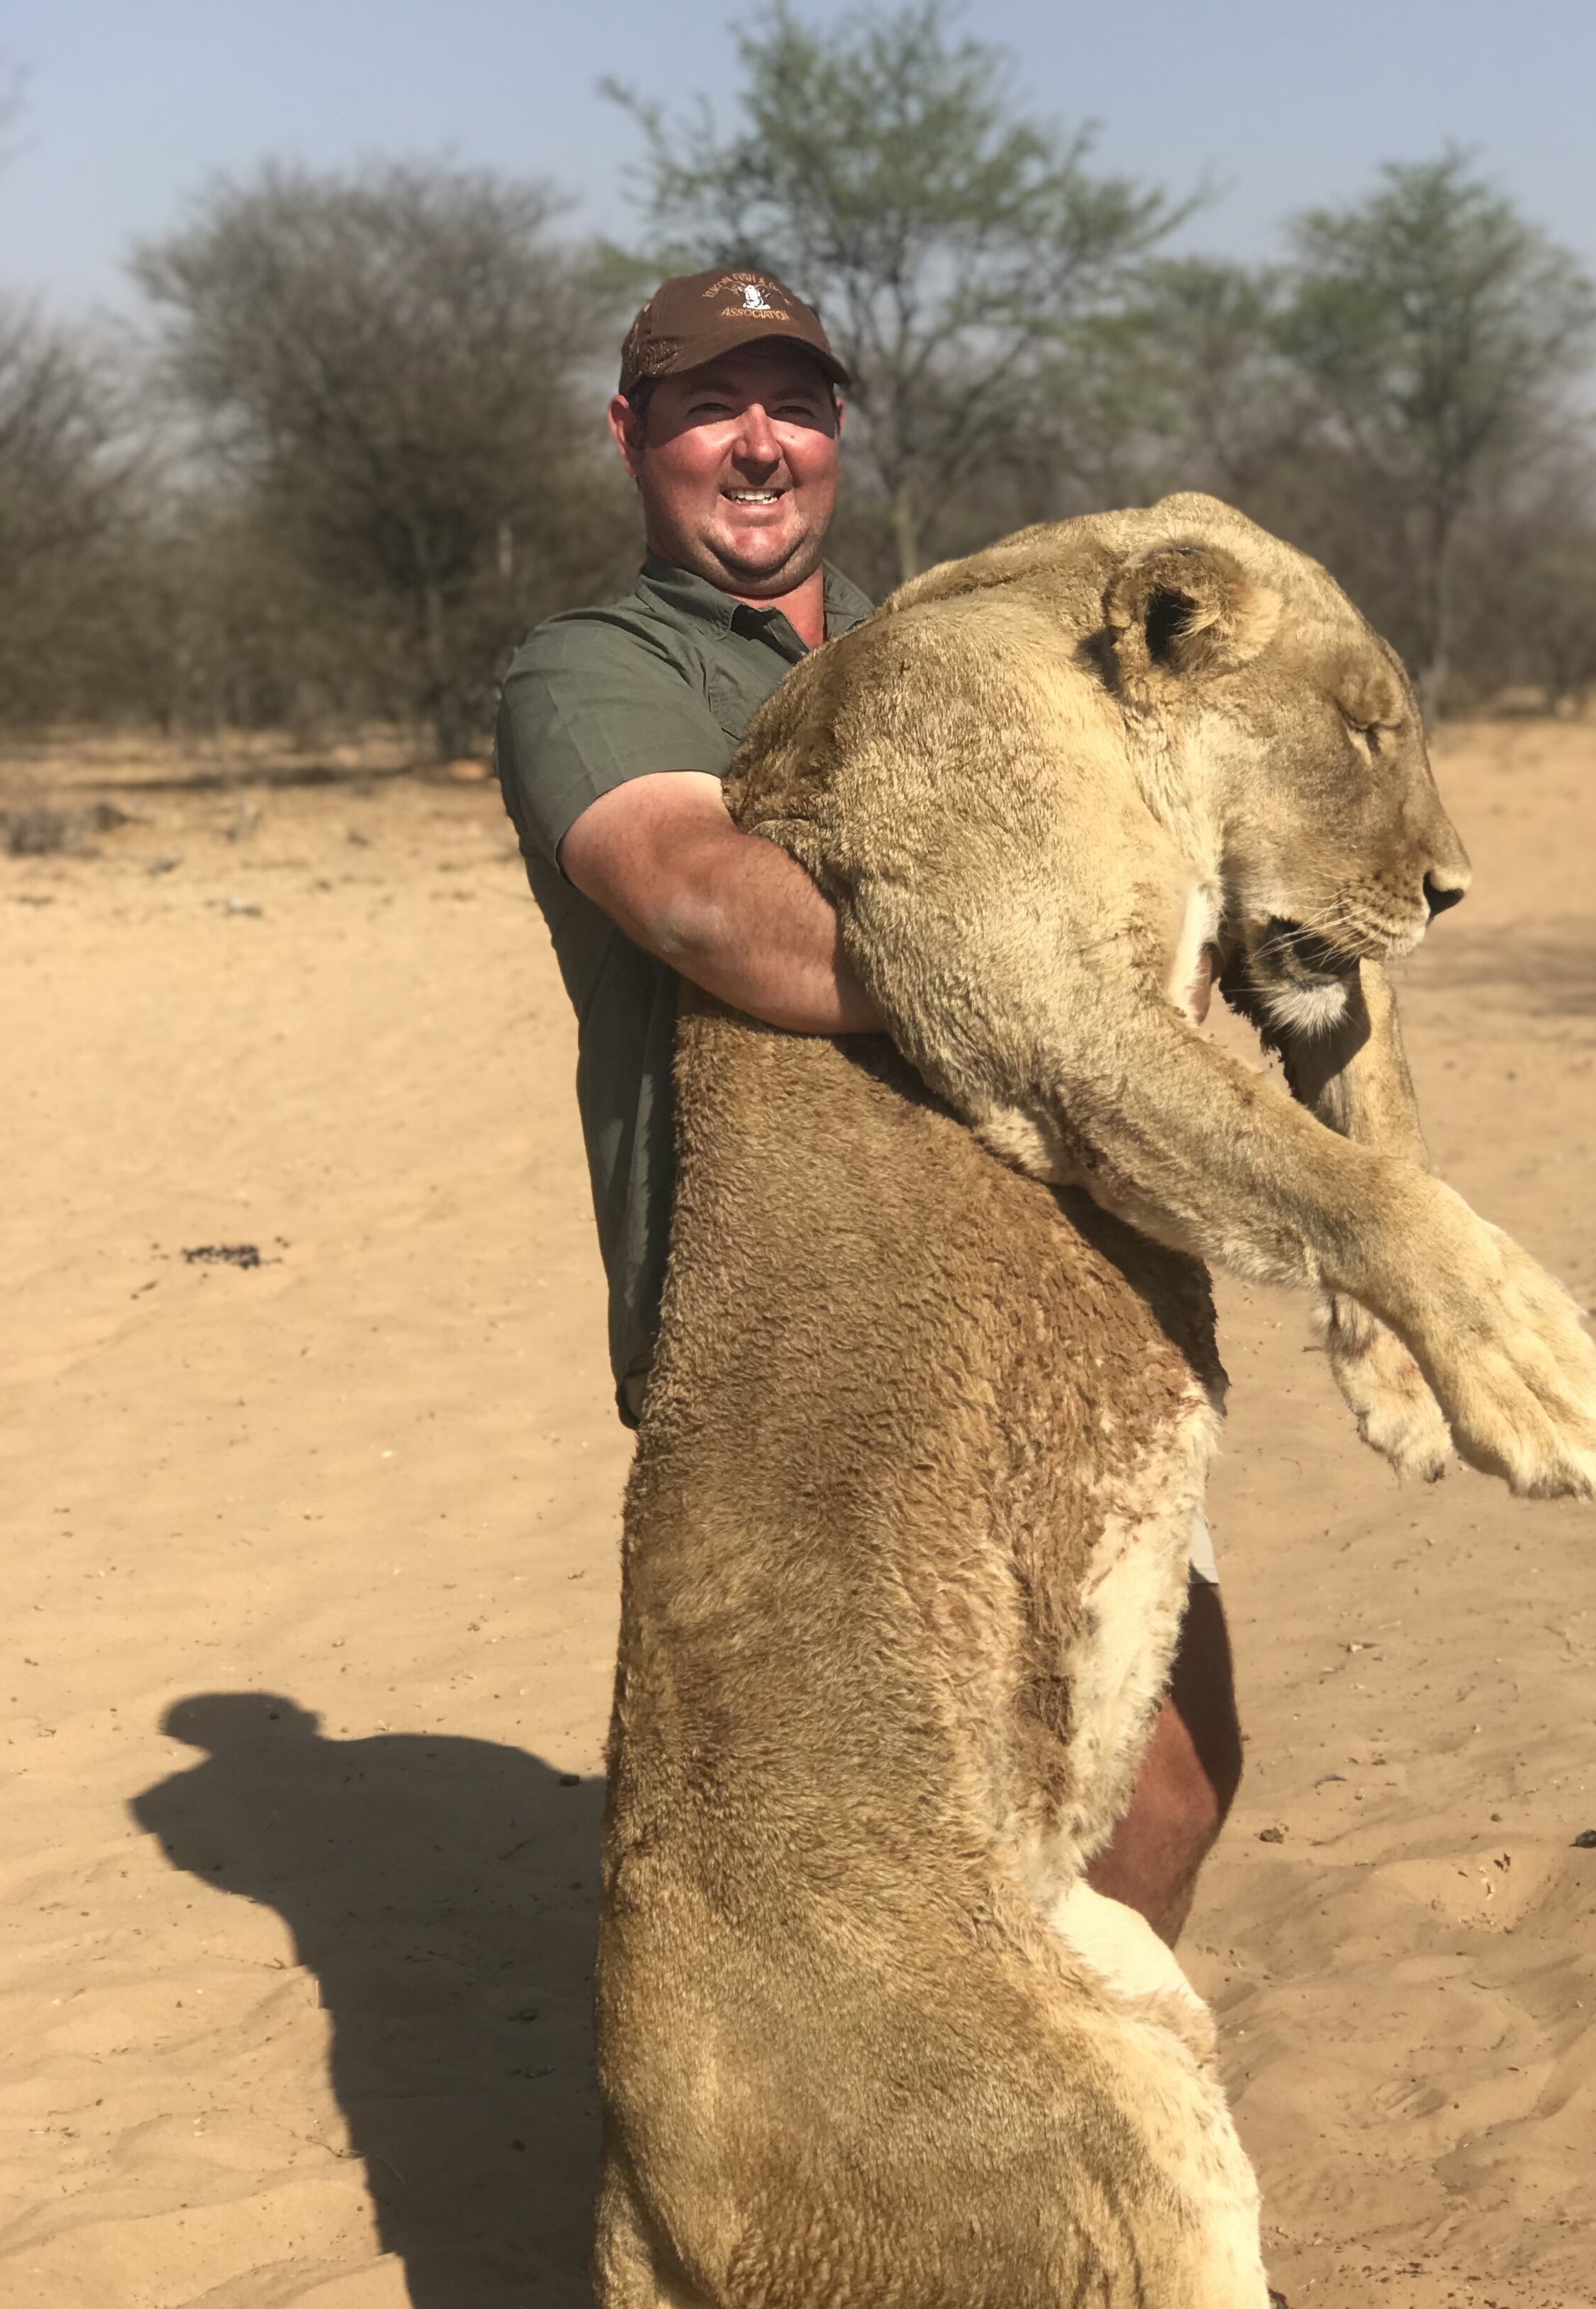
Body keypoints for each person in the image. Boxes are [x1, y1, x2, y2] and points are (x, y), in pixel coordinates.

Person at [495, 269, 1242, 1943]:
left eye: (797, 405)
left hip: (1069, 1312)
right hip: (800, 1351)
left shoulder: (954, 660)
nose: (760, 445)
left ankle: (1073, 2148)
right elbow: (714, 912)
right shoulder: (590, 675)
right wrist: (1073, 986)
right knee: (886, 1867)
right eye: (710, 405)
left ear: (838, 434)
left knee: (1167, 1786)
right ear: (632, 436)